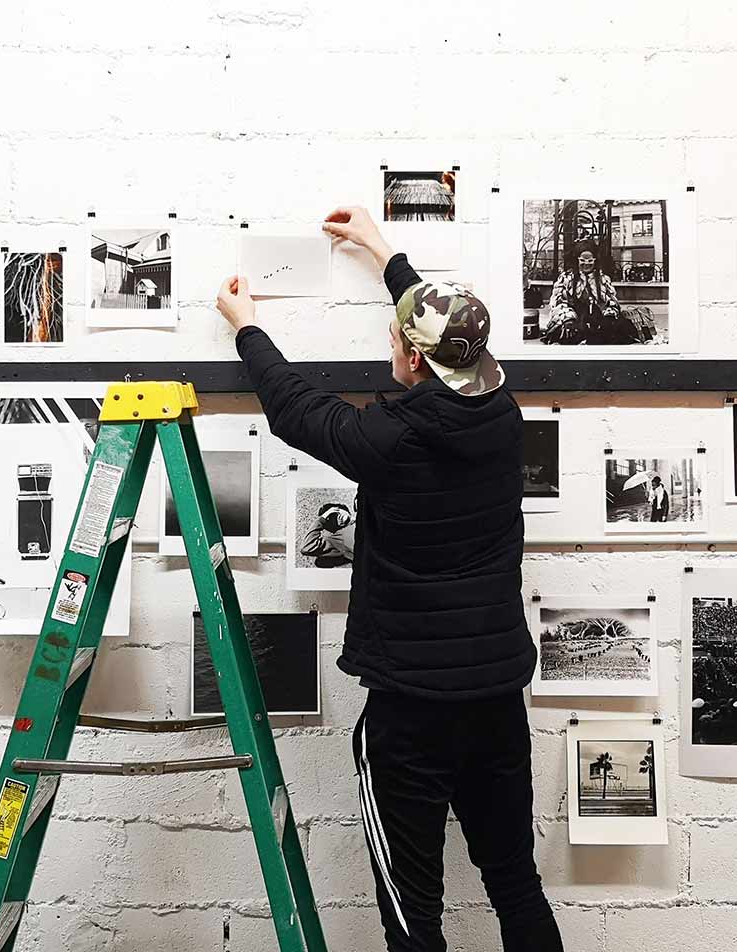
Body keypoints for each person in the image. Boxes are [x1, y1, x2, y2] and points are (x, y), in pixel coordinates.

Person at [216, 205, 562, 952]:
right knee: (516, 887)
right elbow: (446, 329)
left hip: (411, 713)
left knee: (414, 916)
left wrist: (246, 325)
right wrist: (384, 252)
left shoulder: (392, 439)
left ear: (409, 357)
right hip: (497, 701)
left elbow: (295, 409)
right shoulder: (504, 417)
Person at [537, 242, 642, 345]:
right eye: (582, 260)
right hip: (574, 320)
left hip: (598, 320)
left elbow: (612, 302)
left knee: (617, 329)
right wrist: (568, 318)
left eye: (590, 260)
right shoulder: (565, 278)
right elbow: (557, 302)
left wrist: (608, 315)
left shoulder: (603, 279)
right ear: (577, 260)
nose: (586, 264)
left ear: (595, 261)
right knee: (567, 333)